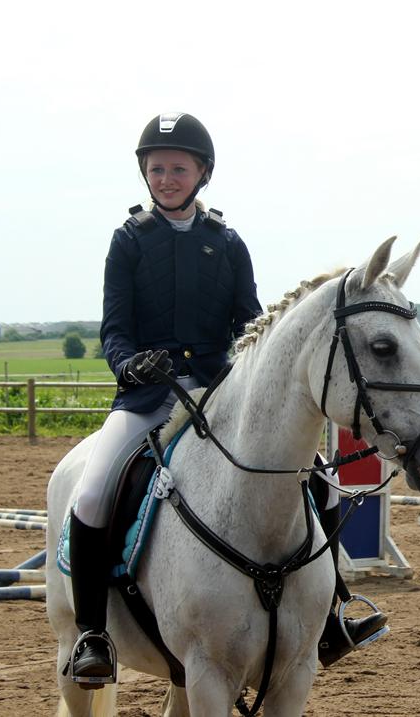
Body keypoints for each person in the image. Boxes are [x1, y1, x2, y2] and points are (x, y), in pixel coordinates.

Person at [66, 112, 384, 687]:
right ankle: (92, 632)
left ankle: (335, 608)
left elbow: (249, 322)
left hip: (217, 396)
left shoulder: (227, 243)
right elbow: (114, 328)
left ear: (201, 173)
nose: (166, 178)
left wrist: (246, 375)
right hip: (146, 399)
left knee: (313, 474)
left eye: (177, 168)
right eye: (156, 168)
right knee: (91, 493)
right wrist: (129, 363)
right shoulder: (128, 241)